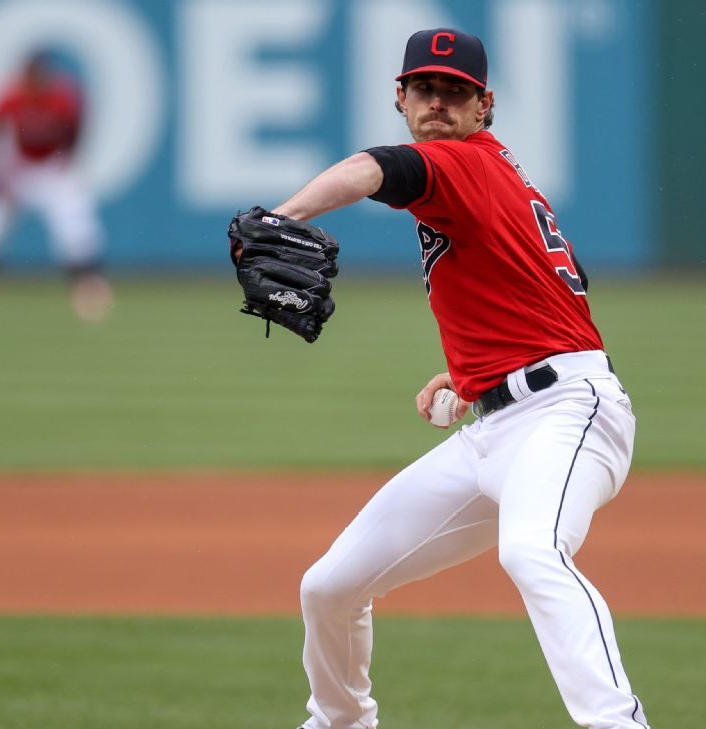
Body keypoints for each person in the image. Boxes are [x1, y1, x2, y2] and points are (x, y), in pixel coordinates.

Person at [274, 28, 648, 729]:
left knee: (532, 549)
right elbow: (553, 291)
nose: (438, 102)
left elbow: (371, 168)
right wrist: (473, 369)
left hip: (568, 413)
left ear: (485, 107)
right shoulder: (499, 178)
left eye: (456, 91)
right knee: (329, 585)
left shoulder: (461, 164)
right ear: (401, 96)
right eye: (424, 88)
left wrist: (283, 216)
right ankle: (342, 719)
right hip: (499, 426)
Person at [0, 51, 111, 323]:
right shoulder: (10, 96)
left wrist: (68, 162)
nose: (34, 80)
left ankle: (88, 286)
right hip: (18, 166)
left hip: (51, 166)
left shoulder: (61, 97)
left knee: (75, 217)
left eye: (38, 75)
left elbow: (77, 130)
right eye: (30, 75)